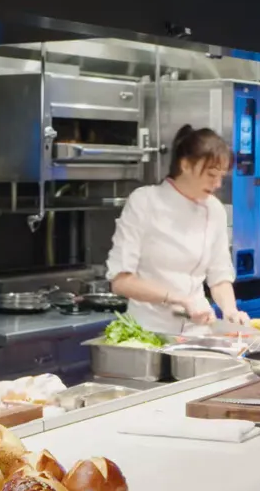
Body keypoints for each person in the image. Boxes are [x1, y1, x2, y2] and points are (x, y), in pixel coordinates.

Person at [106, 125, 248, 335]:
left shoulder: (215, 209)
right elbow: (121, 281)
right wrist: (181, 299)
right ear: (185, 165)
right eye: (211, 174)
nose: (217, 184)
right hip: (148, 333)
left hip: (198, 334)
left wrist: (230, 310)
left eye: (222, 177)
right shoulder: (144, 201)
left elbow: (219, 275)